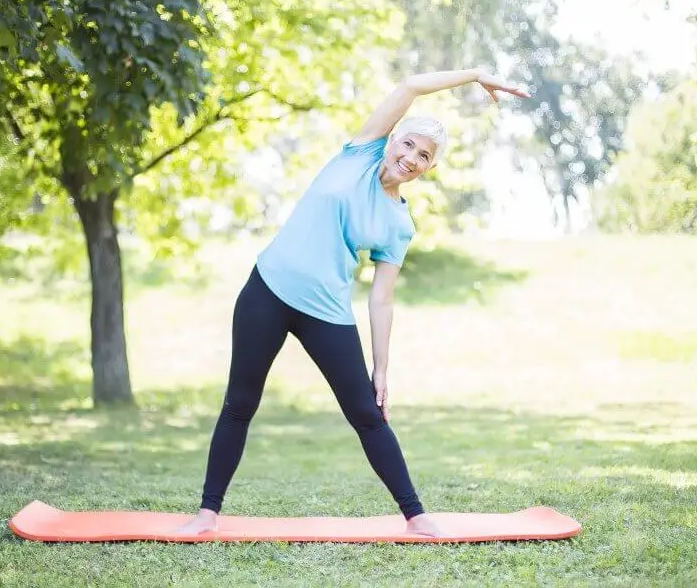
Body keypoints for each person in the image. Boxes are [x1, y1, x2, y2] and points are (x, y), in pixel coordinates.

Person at [178, 68, 530, 537]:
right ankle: (207, 513)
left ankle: (415, 514)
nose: (411, 157)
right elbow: (408, 87)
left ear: (429, 168)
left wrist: (381, 367)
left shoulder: (399, 224)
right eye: (408, 145)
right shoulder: (359, 153)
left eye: (424, 156)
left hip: (326, 310)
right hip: (267, 290)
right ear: (393, 139)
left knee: (367, 413)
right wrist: (473, 76)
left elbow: (382, 299)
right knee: (239, 403)